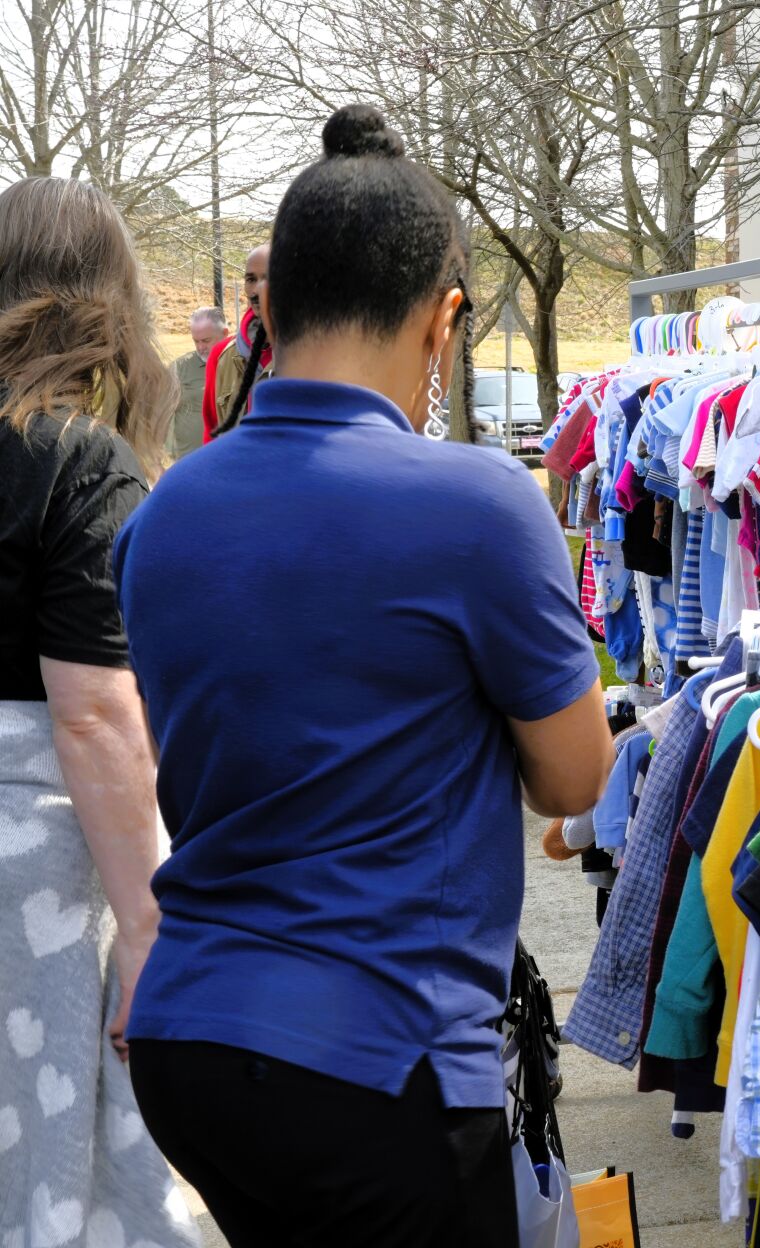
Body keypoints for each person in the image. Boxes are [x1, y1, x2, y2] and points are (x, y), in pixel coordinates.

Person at [115, 104, 612, 1246]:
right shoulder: (481, 506)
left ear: (269, 309)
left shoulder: (163, 516)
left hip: (190, 1042)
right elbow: (575, 778)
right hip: (381, 1063)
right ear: (442, 324)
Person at [0, 177, 199, 1248]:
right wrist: (148, 928)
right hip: (35, 873)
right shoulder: (79, 459)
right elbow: (93, 717)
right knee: (59, 1180)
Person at [201, 244, 271, 438]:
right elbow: (212, 433)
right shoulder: (222, 354)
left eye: (268, 278)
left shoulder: (308, 354)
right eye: (251, 279)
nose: (257, 290)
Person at [169, 305, 227, 459]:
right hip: (189, 464)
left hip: (230, 462)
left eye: (206, 341)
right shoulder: (179, 368)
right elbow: (158, 417)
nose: (201, 348)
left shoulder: (240, 363)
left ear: (224, 333)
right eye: (196, 341)